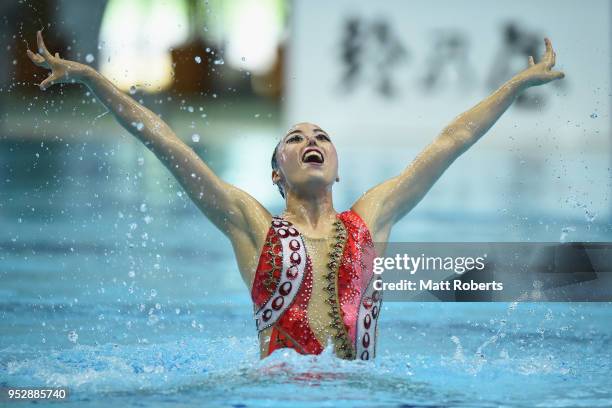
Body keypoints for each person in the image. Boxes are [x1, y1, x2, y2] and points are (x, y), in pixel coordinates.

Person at [27, 31, 565, 360]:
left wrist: (513, 87)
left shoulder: (371, 217)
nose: (312, 141)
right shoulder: (251, 224)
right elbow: (164, 142)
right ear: (276, 173)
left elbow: (452, 141)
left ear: (336, 169)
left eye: (322, 138)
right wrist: (93, 79)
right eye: (295, 138)